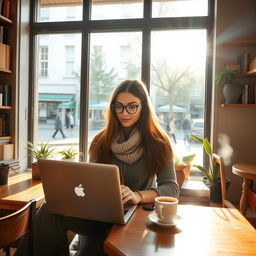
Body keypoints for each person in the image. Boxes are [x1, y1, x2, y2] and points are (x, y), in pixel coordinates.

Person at [15, 80, 179, 256]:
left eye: (132, 106)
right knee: (49, 210)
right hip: (99, 216)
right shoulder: (101, 141)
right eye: (119, 106)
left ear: (143, 107)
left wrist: (137, 195)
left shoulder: (158, 143)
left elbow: (171, 188)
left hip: (134, 216)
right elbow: (88, 183)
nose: (124, 113)